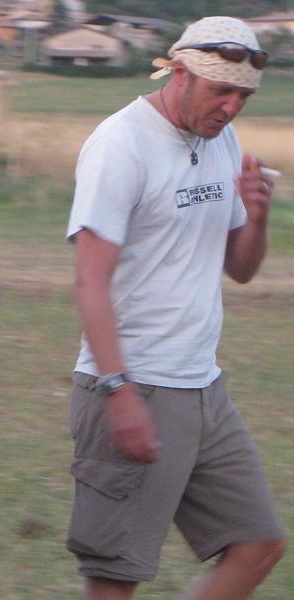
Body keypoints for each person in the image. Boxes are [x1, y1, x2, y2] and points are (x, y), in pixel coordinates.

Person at [65, 16, 285, 599]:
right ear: (179, 73)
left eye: (243, 96)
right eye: (222, 92)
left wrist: (258, 216)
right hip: (132, 384)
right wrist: (120, 393)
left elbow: (239, 267)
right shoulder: (121, 144)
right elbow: (89, 281)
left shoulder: (222, 139)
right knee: (116, 578)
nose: (232, 108)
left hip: (203, 387)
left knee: (259, 544)